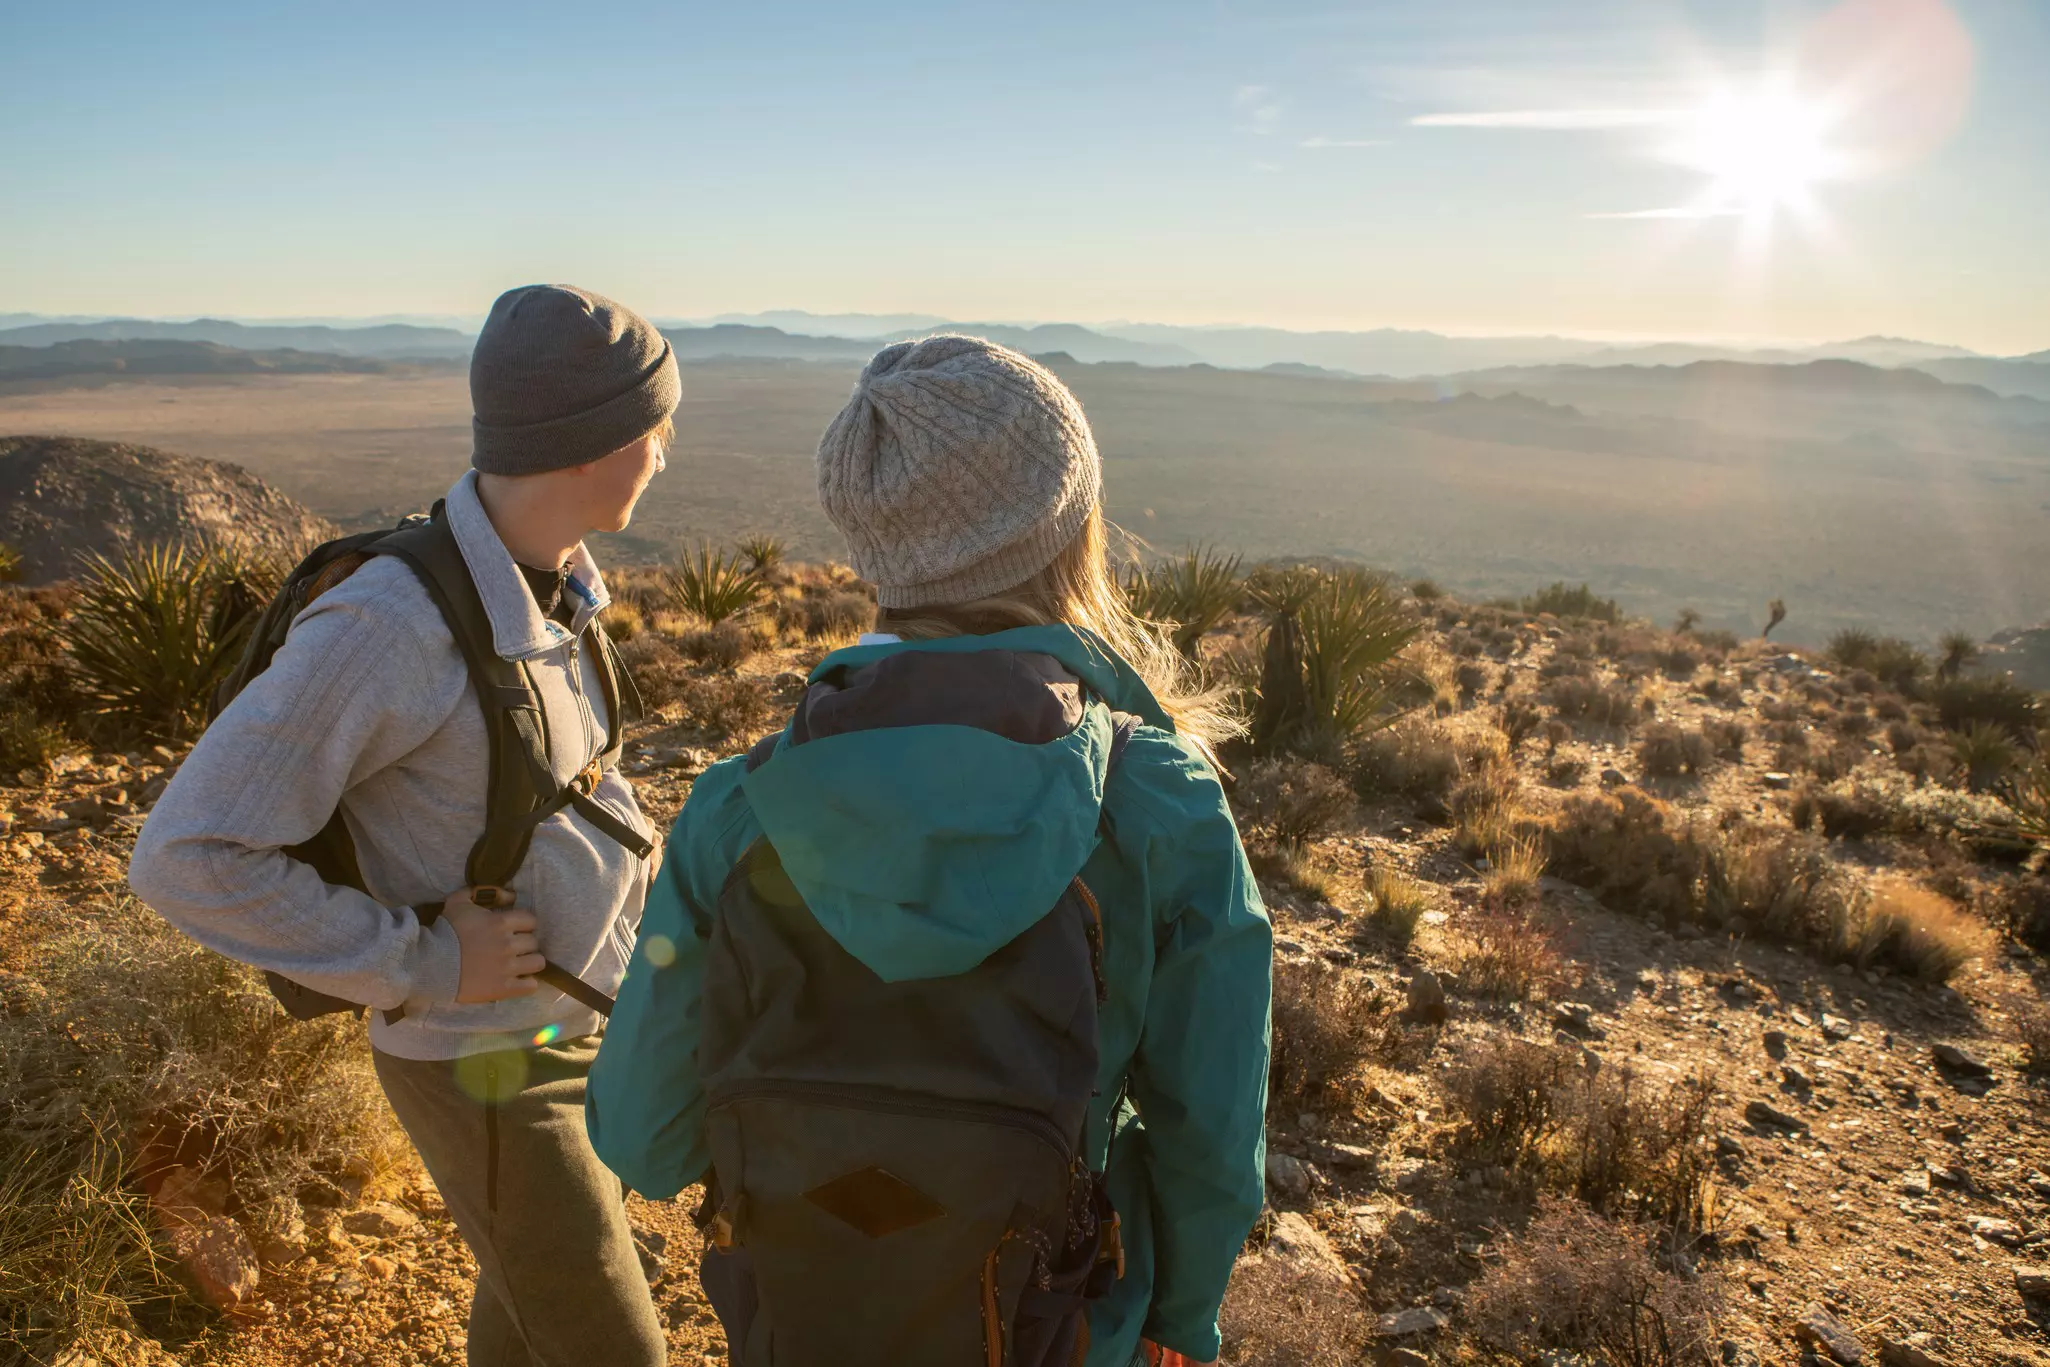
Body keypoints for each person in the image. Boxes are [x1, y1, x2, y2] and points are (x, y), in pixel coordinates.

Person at [587, 335, 1271, 1367]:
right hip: (1065, 1321)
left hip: (803, 1318)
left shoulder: (741, 807)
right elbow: (1208, 1126)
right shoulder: (1154, 802)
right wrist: (1182, 1313)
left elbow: (644, 1136)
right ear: (1063, 530)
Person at [129, 284, 678, 1367]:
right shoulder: (391, 622)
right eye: (655, 421)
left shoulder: (555, 587)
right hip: (483, 1058)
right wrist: (420, 958)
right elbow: (184, 855)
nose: (668, 445)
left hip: (572, 1026)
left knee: (528, 1328)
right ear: (585, 442)